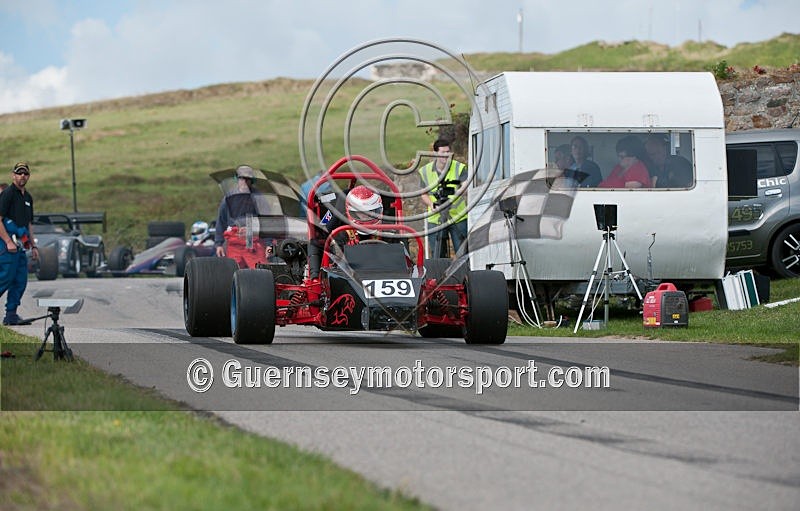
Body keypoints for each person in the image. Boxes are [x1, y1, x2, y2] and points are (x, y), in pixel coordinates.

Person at [0, 162, 39, 325]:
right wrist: (8, 241)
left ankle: (11, 315)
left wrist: (33, 245)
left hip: (21, 245)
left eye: (25, 173)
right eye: (19, 173)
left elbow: (28, 224)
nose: (22, 176)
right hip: (7, 245)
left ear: (28, 176)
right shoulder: (7, 194)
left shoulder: (28, 197)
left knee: (20, 280)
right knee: (5, 278)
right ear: (13, 175)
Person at [214, 165, 271, 268]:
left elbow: (267, 222)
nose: (244, 182)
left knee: (260, 271)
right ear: (237, 179)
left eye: (247, 179)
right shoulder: (228, 198)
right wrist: (219, 244)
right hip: (234, 241)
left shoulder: (259, 198)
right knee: (233, 270)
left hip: (253, 241)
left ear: (251, 181)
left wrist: (268, 244)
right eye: (241, 179)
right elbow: (221, 221)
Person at [418, 138, 468, 258]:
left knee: (463, 254)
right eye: (443, 152)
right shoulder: (425, 171)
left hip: (458, 217)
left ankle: (464, 271)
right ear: (435, 153)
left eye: (448, 152)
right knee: (438, 255)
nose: (446, 155)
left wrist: (454, 196)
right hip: (436, 218)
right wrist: (431, 205)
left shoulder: (459, 167)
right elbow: (423, 194)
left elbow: (466, 186)